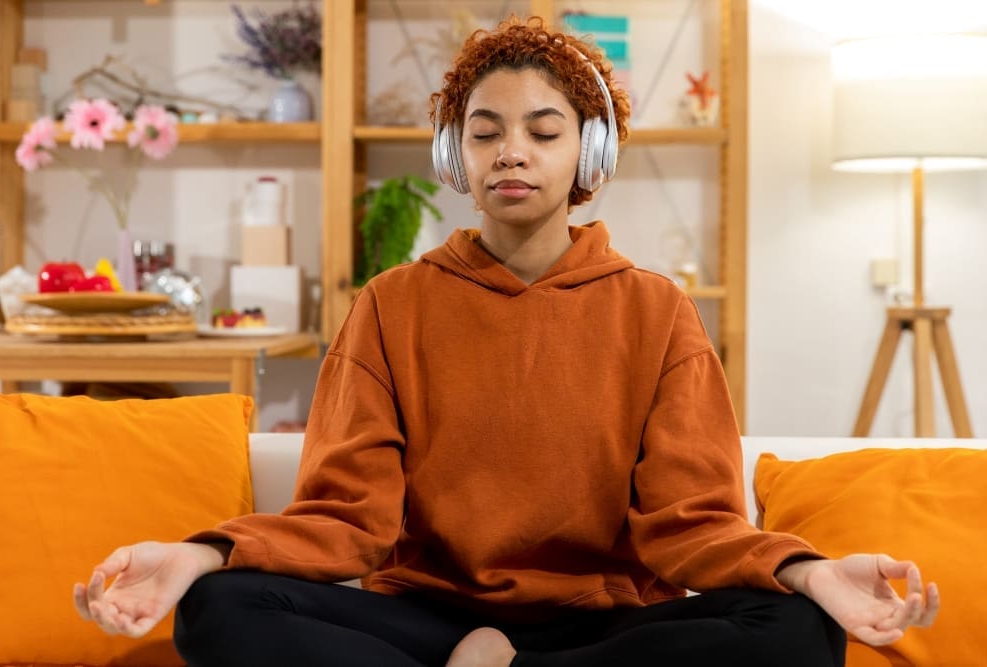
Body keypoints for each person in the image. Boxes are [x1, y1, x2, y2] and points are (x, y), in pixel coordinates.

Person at [74, 17, 938, 667]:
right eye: (484, 131)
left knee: (797, 630)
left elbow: (693, 524)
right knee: (217, 609)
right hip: (429, 615)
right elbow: (346, 518)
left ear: (587, 149)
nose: (510, 152)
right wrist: (196, 553)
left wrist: (810, 572)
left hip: (601, 624)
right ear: (457, 154)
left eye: (543, 130)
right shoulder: (391, 305)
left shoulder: (658, 311)